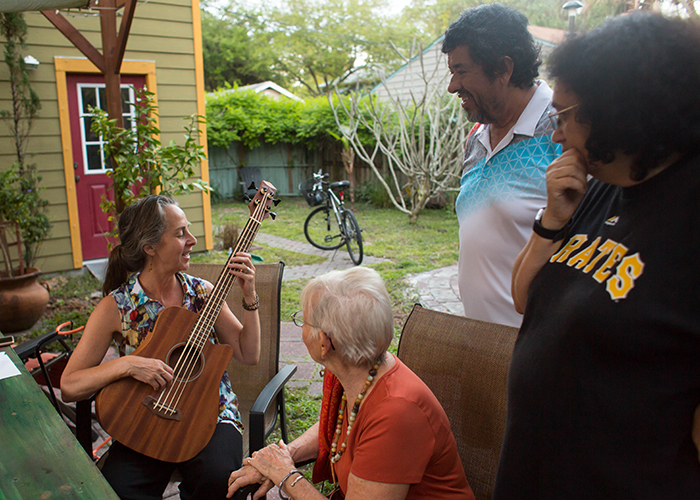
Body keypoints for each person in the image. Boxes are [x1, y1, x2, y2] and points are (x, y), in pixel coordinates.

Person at [497, 12, 700, 499]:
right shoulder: (597, 186)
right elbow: (525, 299)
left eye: (565, 115)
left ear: (621, 110)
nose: (556, 135)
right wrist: (552, 220)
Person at [60, 195, 261, 500]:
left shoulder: (202, 293)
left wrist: (249, 296)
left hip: (210, 412)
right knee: (117, 490)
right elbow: (70, 386)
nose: (192, 240)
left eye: (188, 231)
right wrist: (127, 365)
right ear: (150, 247)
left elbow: (249, 354)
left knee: (221, 478)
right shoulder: (117, 307)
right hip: (144, 415)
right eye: (180, 233)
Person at [227, 267, 474, 500]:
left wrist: (285, 475)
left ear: (324, 343)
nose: (301, 328)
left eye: (303, 321)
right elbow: (340, 427)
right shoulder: (361, 369)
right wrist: (285, 456)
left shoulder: (395, 412)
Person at [442, 3, 561, 327]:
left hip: (541, 343)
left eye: (462, 71)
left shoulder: (563, 129)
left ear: (504, 69)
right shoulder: (477, 137)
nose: (452, 86)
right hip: (486, 343)